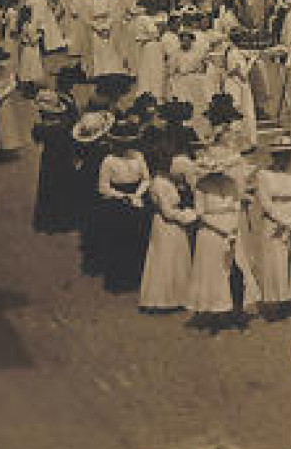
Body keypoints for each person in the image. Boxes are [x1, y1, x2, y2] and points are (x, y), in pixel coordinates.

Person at [186, 155, 246, 333]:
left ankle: (235, 311)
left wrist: (233, 227)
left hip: (233, 231)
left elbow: (237, 205)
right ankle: (214, 314)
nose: (218, 174)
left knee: (236, 270)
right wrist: (221, 229)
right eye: (214, 171)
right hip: (211, 233)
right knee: (213, 273)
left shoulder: (231, 183)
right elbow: (200, 213)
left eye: (220, 171)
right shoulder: (201, 186)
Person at [250, 136, 291, 319]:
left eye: (288, 155)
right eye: (280, 155)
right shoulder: (264, 175)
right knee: (276, 261)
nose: (284, 159)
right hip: (275, 222)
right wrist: (284, 221)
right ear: (273, 156)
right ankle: (277, 302)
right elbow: (266, 203)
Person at [92, 118, 152, 292]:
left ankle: (137, 279)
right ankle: (119, 280)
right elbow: (103, 187)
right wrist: (122, 196)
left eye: (128, 143)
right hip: (117, 203)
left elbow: (146, 178)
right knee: (118, 241)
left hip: (137, 198)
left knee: (139, 240)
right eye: (120, 143)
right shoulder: (108, 161)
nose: (124, 147)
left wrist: (137, 194)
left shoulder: (138, 156)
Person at [139, 147, 197, 312]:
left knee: (176, 259)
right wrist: (188, 216)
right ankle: (163, 300)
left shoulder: (167, 180)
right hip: (166, 225)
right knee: (166, 259)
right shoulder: (158, 183)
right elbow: (167, 212)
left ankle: (177, 297)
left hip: (173, 225)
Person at [30, 83, 81, 234]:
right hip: (65, 159)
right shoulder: (66, 124)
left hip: (49, 160)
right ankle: (66, 220)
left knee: (49, 188)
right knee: (66, 188)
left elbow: (36, 137)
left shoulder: (42, 128)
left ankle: (48, 222)